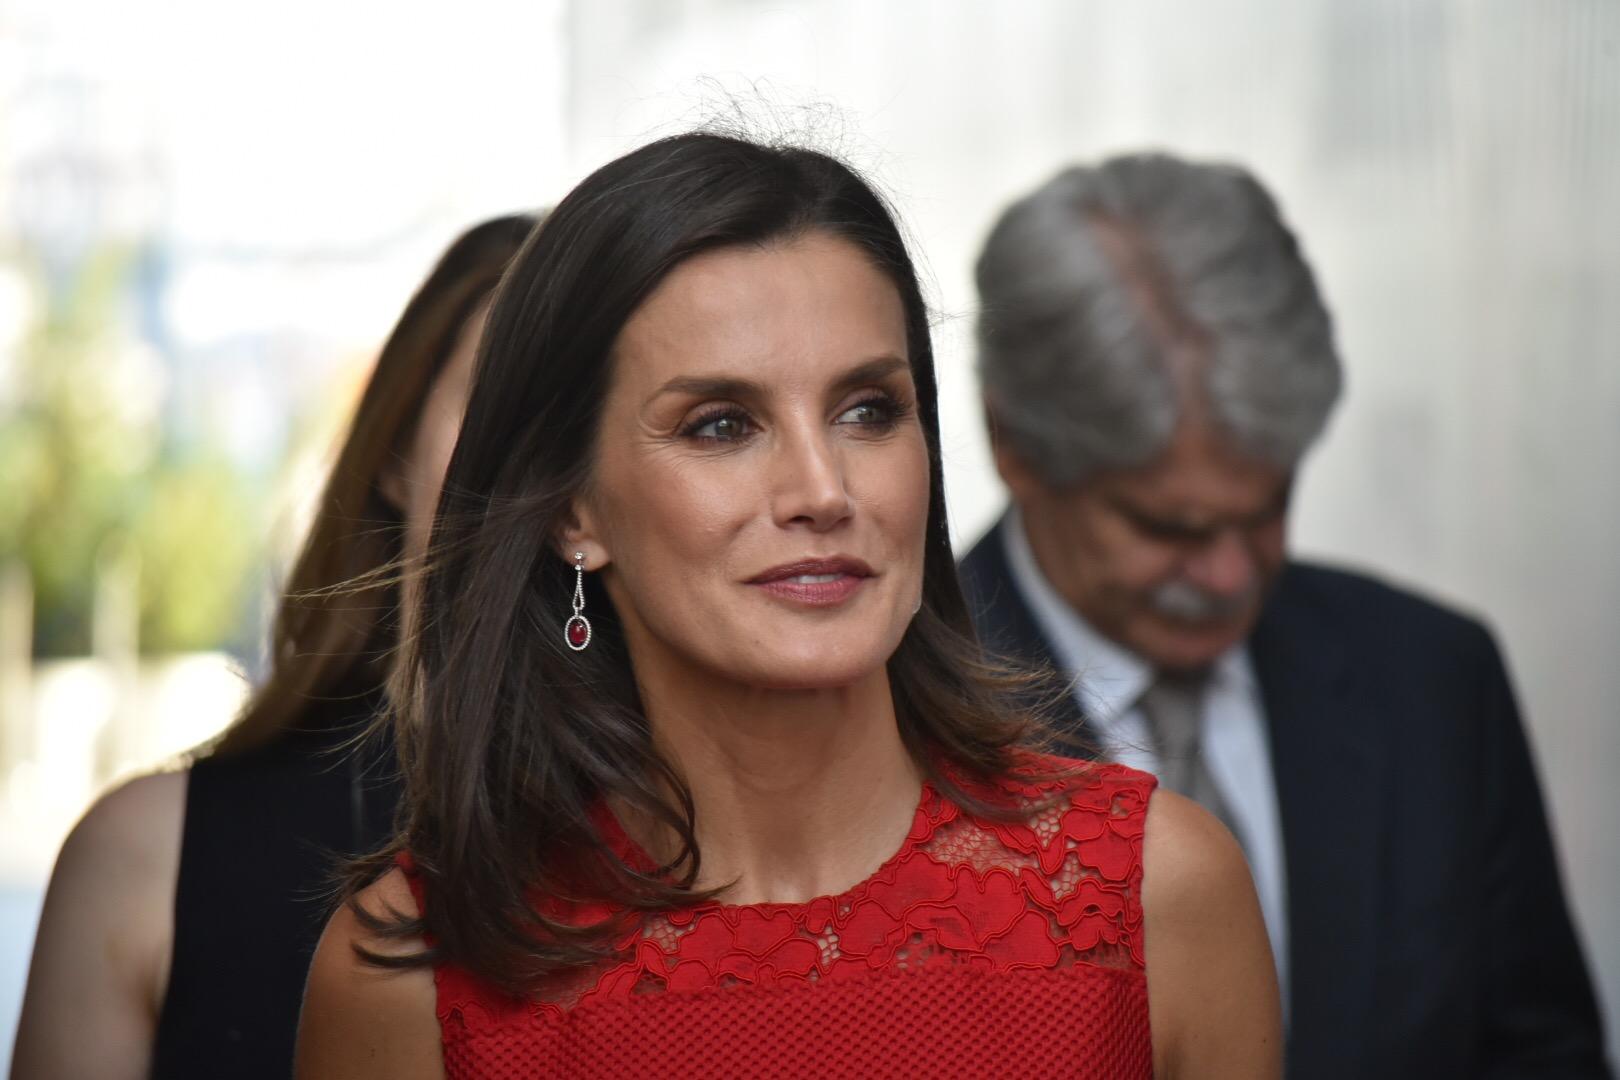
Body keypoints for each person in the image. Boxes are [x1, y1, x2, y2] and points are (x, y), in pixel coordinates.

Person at [295, 132, 1282, 1079]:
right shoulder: (414, 975)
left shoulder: (1157, 897)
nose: (823, 487)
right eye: (722, 425)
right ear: (573, 509)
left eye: (867, 410)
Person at [960, 152, 1611, 1078]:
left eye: (1268, 506)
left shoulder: (1431, 679)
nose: (1230, 573)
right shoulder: (886, 710)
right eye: (1169, 526)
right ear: (1014, 446)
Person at [10, 213, 539, 1080]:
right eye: (499, 409)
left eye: (575, 426)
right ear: (397, 450)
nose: (536, 470)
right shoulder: (146, 859)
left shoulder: (714, 862)